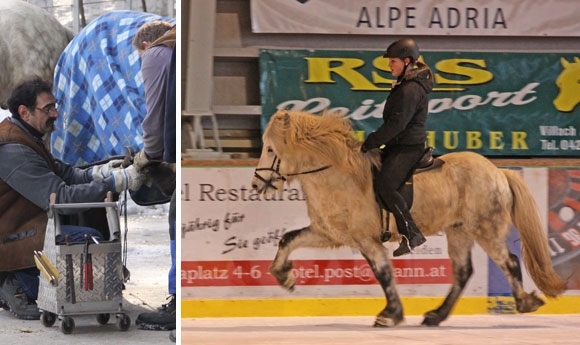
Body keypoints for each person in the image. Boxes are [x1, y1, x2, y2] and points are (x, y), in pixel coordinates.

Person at [0, 76, 144, 320]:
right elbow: (61, 197)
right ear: (25, 112)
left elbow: (63, 172)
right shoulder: (13, 149)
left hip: (26, 222)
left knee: (86, 244)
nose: (55, 114)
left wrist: (100, 171)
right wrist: (114, 182)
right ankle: (13, 280)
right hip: (11, 236)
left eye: (55, 106)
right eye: (48, 109)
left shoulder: (26, 135)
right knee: (91, 245)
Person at [361, 38, 433, 257]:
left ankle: (411, 233)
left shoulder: (410, 89)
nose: (389, 65)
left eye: (393, 61)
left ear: (407, 61)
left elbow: (397, 124)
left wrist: (372, 141)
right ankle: (383, 227)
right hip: (398, 144)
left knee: (386, 185)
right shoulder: (404, 85)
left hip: (408, 147)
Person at [131, 23, 177, 335]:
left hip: (183, 145)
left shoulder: (156, 52)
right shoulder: (178, 45)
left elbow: (155, 113)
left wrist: (147, 154)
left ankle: (181, 300)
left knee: (179, 217)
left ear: (145, 44)